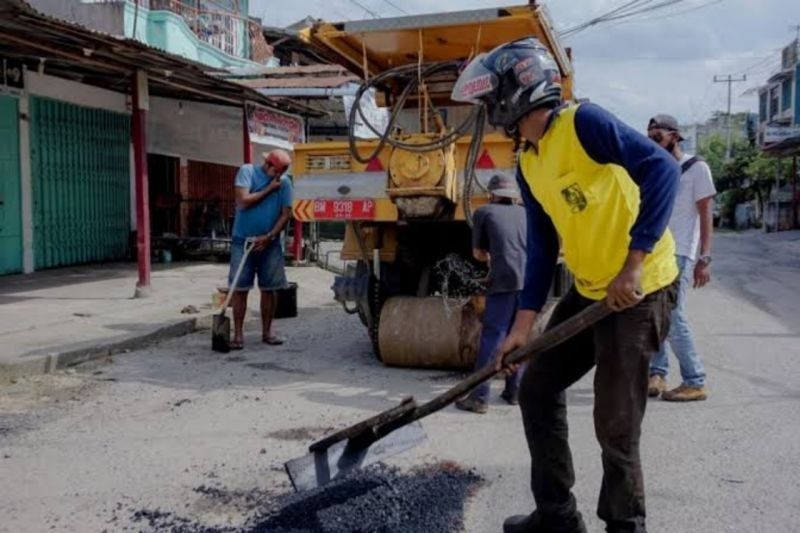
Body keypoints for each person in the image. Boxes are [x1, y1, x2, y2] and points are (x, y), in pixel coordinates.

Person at [452, 38, 680, 533]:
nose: (490, 112)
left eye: (492, 101)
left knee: (616, 424)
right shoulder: (530, 162)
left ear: (517, 93)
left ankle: (625, 526)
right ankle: (556, 515)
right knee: (537, 388)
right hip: (594, 287)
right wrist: (523, 325)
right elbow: (541, 243)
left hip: (640, 288)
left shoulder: (584, 124)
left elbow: (661, 170)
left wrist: (634, 262)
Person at [646, 114, 715, 402]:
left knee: (673, 315)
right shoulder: (656, 169)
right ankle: (657, 373)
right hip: (655, 252)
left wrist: (705, 257)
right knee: (654, 315)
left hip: (680, 251)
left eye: (656, 135)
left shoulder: (696, 168)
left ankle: (694, 379)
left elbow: (705, 212)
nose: (651, 140)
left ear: (674, 135)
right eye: (648, 135)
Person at [455, 173, 527, 414]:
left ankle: (479, 397)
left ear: (492, 194)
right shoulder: (526, 213)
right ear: (514, 196)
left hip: (504, 280)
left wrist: (491, 260)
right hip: (529, 281)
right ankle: (514, 391)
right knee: (518, 335)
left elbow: (478, 254)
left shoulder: (484, 212)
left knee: (493, 336)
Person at [229, 149, 293, 350]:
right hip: (243, 241)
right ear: (269, 166)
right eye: (278, 171)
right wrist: (268, 190)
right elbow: (242, 202)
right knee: (240, 289)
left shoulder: (285, 183)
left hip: (270, 243)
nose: (280, 175)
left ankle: (267, 332)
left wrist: (270, 236)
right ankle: (238, 335)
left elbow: (285, 215)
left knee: (269, 289)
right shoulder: (247, 172)